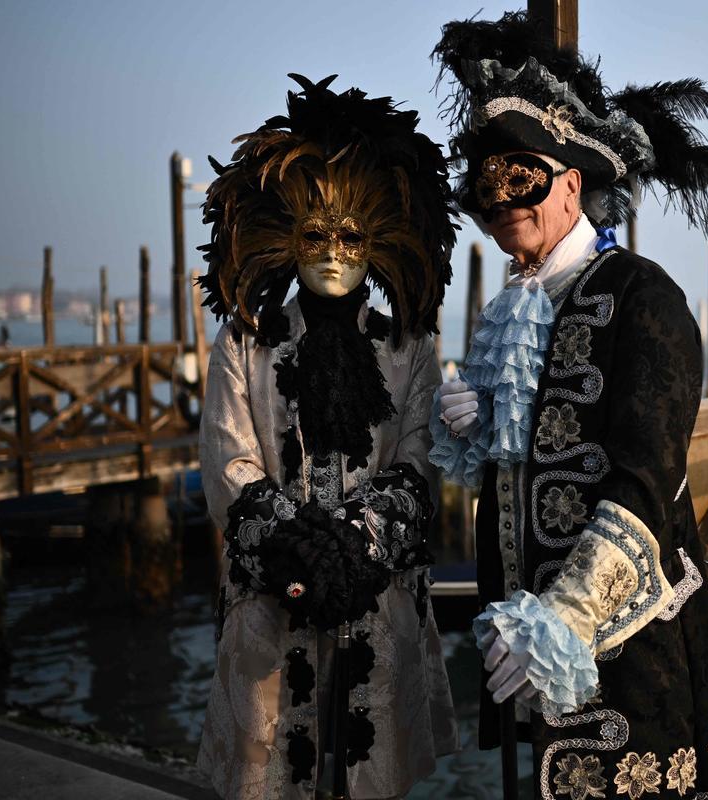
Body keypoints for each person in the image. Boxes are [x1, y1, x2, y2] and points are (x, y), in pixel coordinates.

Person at [429, 13, 708, 799]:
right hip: (520, 652)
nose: (504, 202)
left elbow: (645, 480)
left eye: (524, 179)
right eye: (487, 186)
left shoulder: (644, 297)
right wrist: (480, 430)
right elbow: (528, 471)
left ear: (573, 182)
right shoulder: (512, 307)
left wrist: (565, 619)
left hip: (629, 658)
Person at [194, 74, 459, 800]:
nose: (336, 252)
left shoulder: (411, 347)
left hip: (378, 610)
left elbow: (420, 457)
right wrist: (294, 547)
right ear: (285, 236)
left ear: (379, 243)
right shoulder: (245, 342)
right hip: (271, 615)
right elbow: (227, 460)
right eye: (317, 234)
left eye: (352, 236)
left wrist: (359, 545)